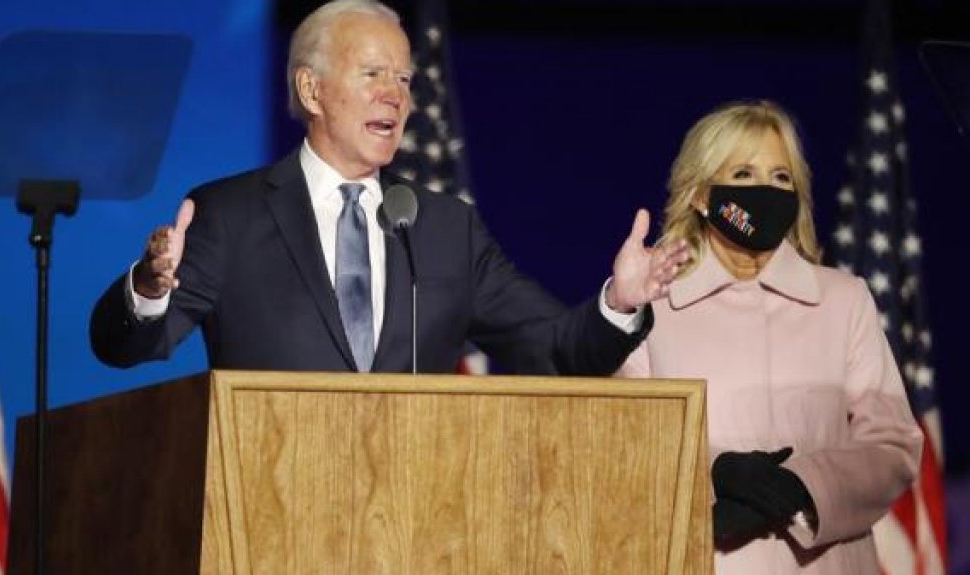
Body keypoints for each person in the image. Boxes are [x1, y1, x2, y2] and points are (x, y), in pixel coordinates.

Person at [90, 0, 688, 376]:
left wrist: (619, 303)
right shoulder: (230, 214)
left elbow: (556, 349)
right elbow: (128, 347)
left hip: (413, 520)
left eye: (403, 77)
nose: (395, 94)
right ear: (312, 90)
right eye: (372, 73)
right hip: (263, 510)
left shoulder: (446, 229)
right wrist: (147, 289)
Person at [618, 100, 923, 572]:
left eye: (781, 177)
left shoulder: (844, 301)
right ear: (701, 195)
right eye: (742, 174)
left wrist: (803, 488)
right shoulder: (654, 307)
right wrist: (718, 476)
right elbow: (629, 443)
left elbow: (892, 444)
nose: (765, 190)